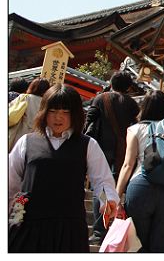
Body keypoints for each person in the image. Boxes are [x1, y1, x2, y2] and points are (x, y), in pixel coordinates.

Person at [8, 84, 119, 252]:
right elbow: (10, 182)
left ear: (75, 114)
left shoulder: (88, 145)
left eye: (65, 112)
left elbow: (102, 181)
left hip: (70, 228)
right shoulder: (27, 142)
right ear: (43, 112)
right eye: (52, 111)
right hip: (30, 225)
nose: (58, 117)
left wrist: (107, 200)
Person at [115, 90, 164, 252]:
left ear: (144, 107)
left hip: (141, 186)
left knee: (136, 246)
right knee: (161, 249)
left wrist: (116, 197)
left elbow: (128, 165)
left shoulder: (135, 129)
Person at [84, 70, 140, 244]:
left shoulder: (100, 99)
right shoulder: (132, 104)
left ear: (111, 83)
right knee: (117, 190)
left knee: (101, 188)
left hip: (100, 150)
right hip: (123, 153)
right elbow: (135, 126)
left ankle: (99, 231)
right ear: (128, 87)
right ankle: (116, 228)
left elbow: (89, 120)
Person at [8, 78, 51, 152]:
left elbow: (10, 113)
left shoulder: (25, 97)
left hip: (18, 137)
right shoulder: (47, 104)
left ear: (31, 86)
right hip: (36, 141)